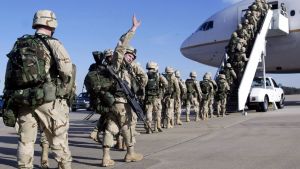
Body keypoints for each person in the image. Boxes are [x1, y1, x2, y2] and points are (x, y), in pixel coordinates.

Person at [3, 10, 74, 168]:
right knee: (58, 139)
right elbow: (66, 70)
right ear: (52, 23)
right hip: (48, 99)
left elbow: (9, 75)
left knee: (26, 141)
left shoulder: (19, 45)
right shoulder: (53, 43)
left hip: (24, 99)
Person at [100, 15, 147, 167]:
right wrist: (133, 29)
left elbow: (142, 79)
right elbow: (121, 45)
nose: (131, 58)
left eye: (133, 57)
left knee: (111, 128)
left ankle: (106, 157)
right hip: (120, 102)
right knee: (126, 127)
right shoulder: (117, 64)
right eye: (129, 55)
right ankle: (130, 153)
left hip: (115, 102)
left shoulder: (127, 69)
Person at [144, 61, 168, 133]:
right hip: (157, 97)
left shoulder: (145, 75)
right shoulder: (158, 75)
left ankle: (148, 128)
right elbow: (166, 83)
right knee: (157, 112)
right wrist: (161, 89)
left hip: (148, 97)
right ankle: (157, 127)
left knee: (149, 112)